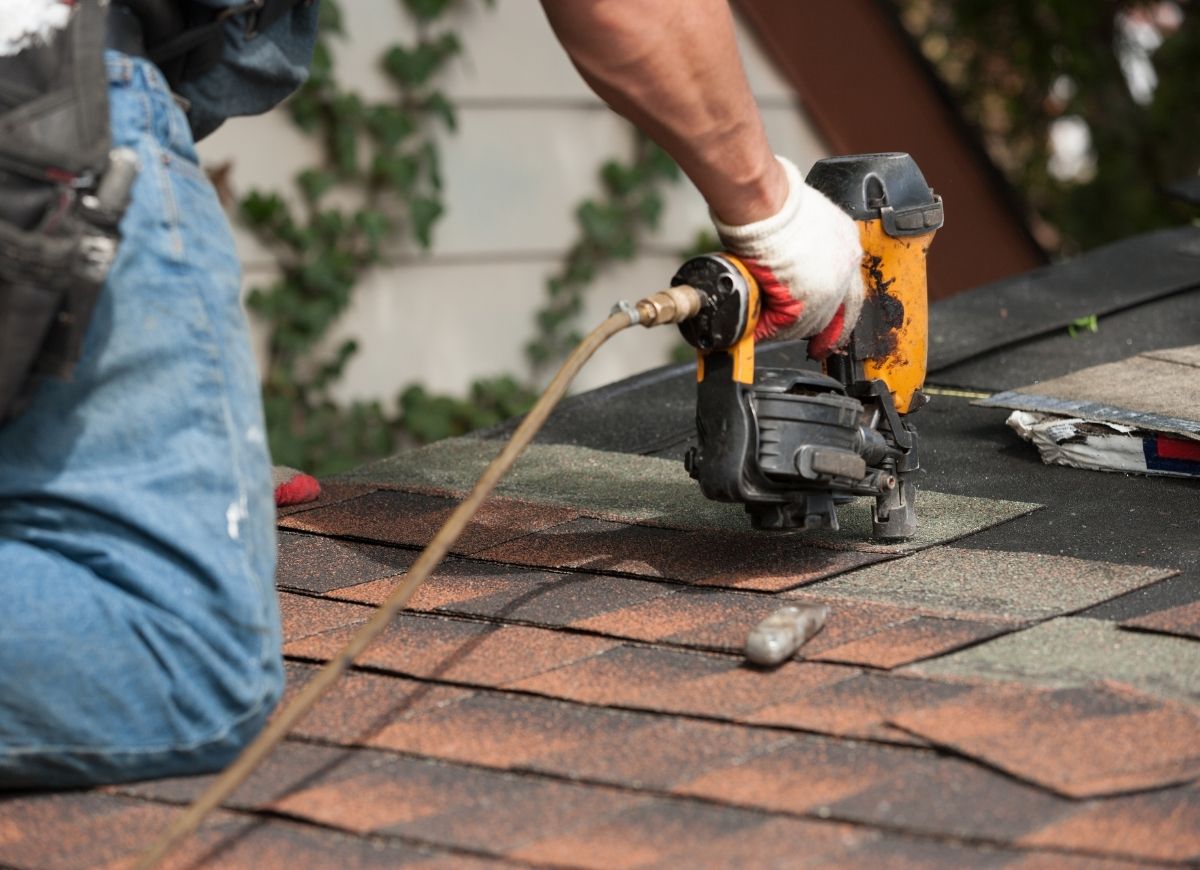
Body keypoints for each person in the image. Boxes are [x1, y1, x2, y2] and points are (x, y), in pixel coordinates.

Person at [0, 0, 863, 787]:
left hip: (45, 87)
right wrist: (771, 213)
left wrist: (180, 454)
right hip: (40, 78)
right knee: (175, 655)